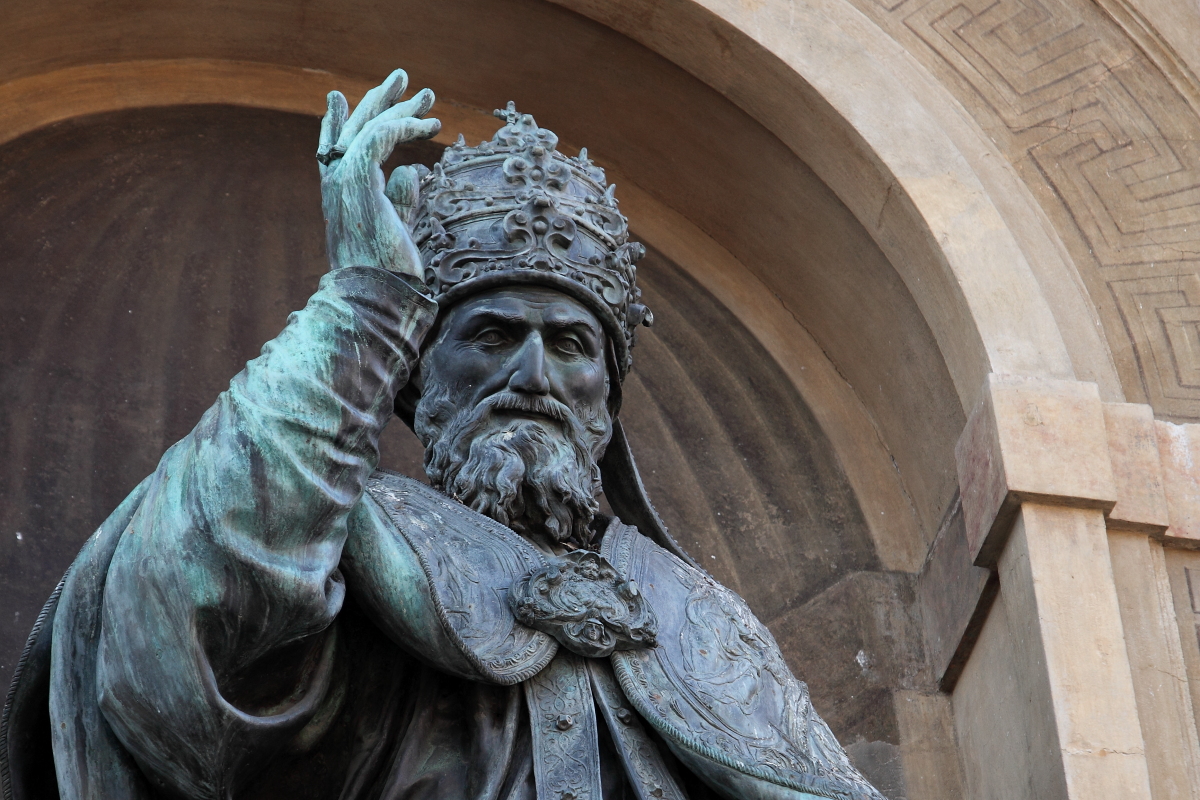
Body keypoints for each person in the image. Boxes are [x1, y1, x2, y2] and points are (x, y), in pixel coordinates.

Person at [0, 70, 884, 800]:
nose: (532, 374)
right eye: (493, 335)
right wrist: (367, 305)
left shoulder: (703, 619)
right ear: (418, 379)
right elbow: (173, 621)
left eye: (570, 345)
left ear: (607, 403)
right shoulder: (338, 540)